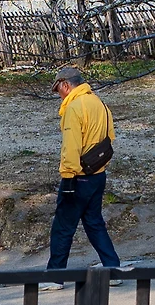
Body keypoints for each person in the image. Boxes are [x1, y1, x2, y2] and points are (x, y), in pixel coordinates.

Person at [44, 67, 131, 276]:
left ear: (66, 85)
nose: (58, 94)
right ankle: (112, 267)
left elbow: (71, 146)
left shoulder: (74, 107)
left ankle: (55, 276)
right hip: (98, 174)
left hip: (77, 177)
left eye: (58, 89)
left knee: (63, 227)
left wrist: (68, 177)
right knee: (94, 223)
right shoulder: (99, 103)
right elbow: (109, 137)